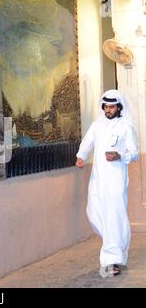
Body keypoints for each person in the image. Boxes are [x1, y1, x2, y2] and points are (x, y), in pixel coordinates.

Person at [75, 89, 138, 278]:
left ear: (119, 107)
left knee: (113, 218)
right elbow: (87, 143)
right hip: (98, 179)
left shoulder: (126, 127)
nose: (108, 109)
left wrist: (120, 155)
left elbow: (133, 153)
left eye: (111, 106)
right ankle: (117, 243)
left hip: (116, 180)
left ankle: (112, 260)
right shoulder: (97, 126)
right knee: (94, 213)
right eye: (106, 106)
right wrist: (81, 156)